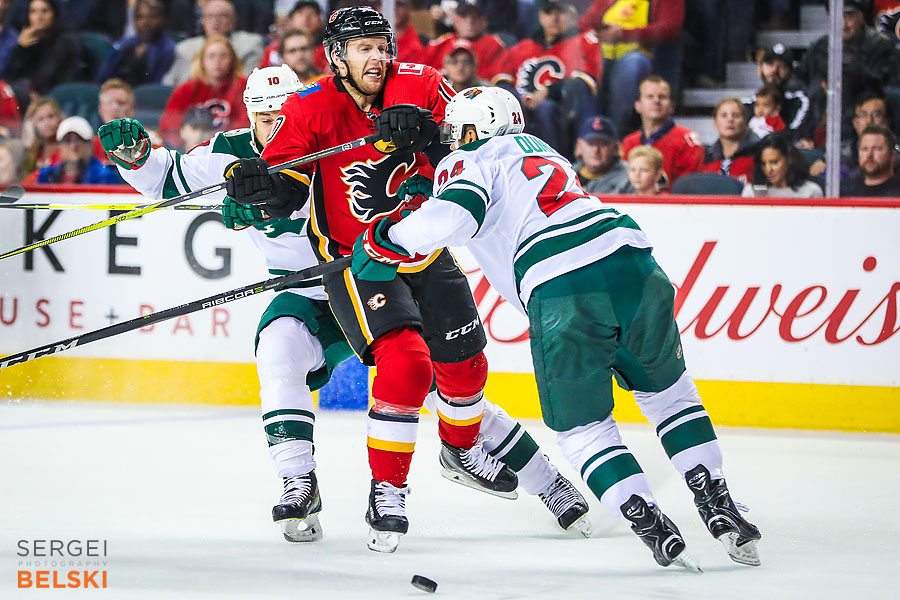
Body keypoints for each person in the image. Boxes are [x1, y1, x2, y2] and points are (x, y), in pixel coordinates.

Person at [102, 62, 591, 547]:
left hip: (366, 276)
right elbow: (166, 179)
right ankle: (299, 483)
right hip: (304, 294)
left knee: (439, 387)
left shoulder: (321, 140)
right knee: (278, 354)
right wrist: (136, 154)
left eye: (282, 116)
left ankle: (544, 480)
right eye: (264, 118)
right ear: (248, 117)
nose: (275, 128)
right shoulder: (228, 152)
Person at [349, 85, 762, 570]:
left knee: (584, 430)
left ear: (472, 130)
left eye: (454, 131)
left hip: (562, 284)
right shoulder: (542, 148)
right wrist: (428, 201)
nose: (449, 140)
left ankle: (646, 517)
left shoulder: (467, 161)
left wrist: (386, 237)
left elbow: (457, 215)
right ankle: (715, 496)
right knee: (671, 397)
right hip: (633, 260)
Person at [492, 0, 601, 158]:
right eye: (549, 13)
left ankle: (554, 161)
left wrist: (549, 91)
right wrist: (515, 101)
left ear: (572, 15)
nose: (554, 19)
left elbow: (586, 82)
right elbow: (501, 80)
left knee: (546, 108)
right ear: (540, 16)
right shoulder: (523, 47)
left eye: (560, 12)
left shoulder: (584, 41)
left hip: (563, 111)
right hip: (523, 110)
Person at [578, 0, 685, 134]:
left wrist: (623, 34)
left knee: (633, 65)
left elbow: (669, 28)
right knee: (583, 76)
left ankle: (615, 133)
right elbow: (585, 24)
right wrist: (596, 31)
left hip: (640, 55)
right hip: (602, 56)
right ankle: (588, 136)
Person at [158, 35, 250, 149]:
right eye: (211, 56)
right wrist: (183, 148)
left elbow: (246, 124)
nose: (217, 62)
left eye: (223, 56)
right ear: (202, 60)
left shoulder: (245, 87)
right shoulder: (187, 89)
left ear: (232, 60)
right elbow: (169, 125)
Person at [621, 75, 703, 191]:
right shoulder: (629, 142)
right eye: (650, 97)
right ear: (638, 106)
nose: (656, 101)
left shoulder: (688, 141)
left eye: (662, 97)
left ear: (672, 106)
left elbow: (690, 187)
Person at [796, 0, 900, 91]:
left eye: (849, 16)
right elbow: (800, 82)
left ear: (861, 17)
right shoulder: (819, 47)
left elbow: (886, 90)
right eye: (837, 16)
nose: (843, 24)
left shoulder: (881, 46)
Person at [163, 0, 264, 87]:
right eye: (210, 16)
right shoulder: (185, 49)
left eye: (222, 16)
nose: (215, 21)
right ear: (203, 21)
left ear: (234, 20)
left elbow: (250, 84)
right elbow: (168, 84)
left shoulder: (250, 44)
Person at [0, 0, 81, 95]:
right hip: (23, 93)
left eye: (45, 11)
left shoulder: (65, 42)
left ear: (54, 14)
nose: (39, 17)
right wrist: (21, 48)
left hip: (50, 95)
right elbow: (9, 76)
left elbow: (50, 77)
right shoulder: (27, 40)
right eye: (33, 12)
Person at [743, 44, 814, 146]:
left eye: (782, 66)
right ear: (760, 70)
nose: (774, 71)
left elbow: (796, 136)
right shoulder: (745, 105)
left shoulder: (800, 102)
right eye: (770, 64)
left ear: (790, 73)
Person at [95, 0, 176, 87]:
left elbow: (156, 90)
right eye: (139, 17)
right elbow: (101, 79)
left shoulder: (168, 50)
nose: (145, 23)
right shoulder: (124, 45)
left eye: (152, 17)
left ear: (162, 19)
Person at [426, 0, 506, 81]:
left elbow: (499, 81)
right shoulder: (440, 43)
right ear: (454, 18)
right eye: (464, 16)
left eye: (476, 16)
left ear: (484, 20)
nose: (470, 21)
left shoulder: (494, 46)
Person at [36, 116, 121, 184]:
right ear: (59, 146)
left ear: (90, 144)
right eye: (67, 141)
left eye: (79, 140)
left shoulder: (104, 175)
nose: (73, 147)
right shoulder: (46, 175)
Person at [742, 134, 823, 198]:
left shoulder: (811, 192)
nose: (768, 170)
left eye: (774, 163)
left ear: (789, 160)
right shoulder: (751, 192)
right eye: (763, 164)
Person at [699, 98, 759, 185]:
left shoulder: (757, 155)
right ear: (715, 123)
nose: (730, 120)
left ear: (745, 123)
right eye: (724, 115)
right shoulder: (706, 158)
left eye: (736, 115)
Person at [572, 114, 630, 194]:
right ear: (579, 146)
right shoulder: (566, 176)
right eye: (591, 143)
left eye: (603, 144)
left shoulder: (629, 178)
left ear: (615, 148)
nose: (596, 150)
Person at [841, 124, 900, 197]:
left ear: (892, 155)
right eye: (865, 149)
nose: (869, 155)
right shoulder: (845, 191)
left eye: (876, 149)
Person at [93, 79, 136, 164]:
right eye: (109, 102)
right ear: (100, 108)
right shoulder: (89, 146)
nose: (115, 108)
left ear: (131, 109)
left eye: (121, 103)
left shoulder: (147, 141)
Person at [20, 95, 61, 179]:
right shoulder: (33, 151)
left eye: (51, 116)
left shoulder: (67, 147)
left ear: (59, 117)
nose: (47, 123)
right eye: (41, 119)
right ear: (32, 125)